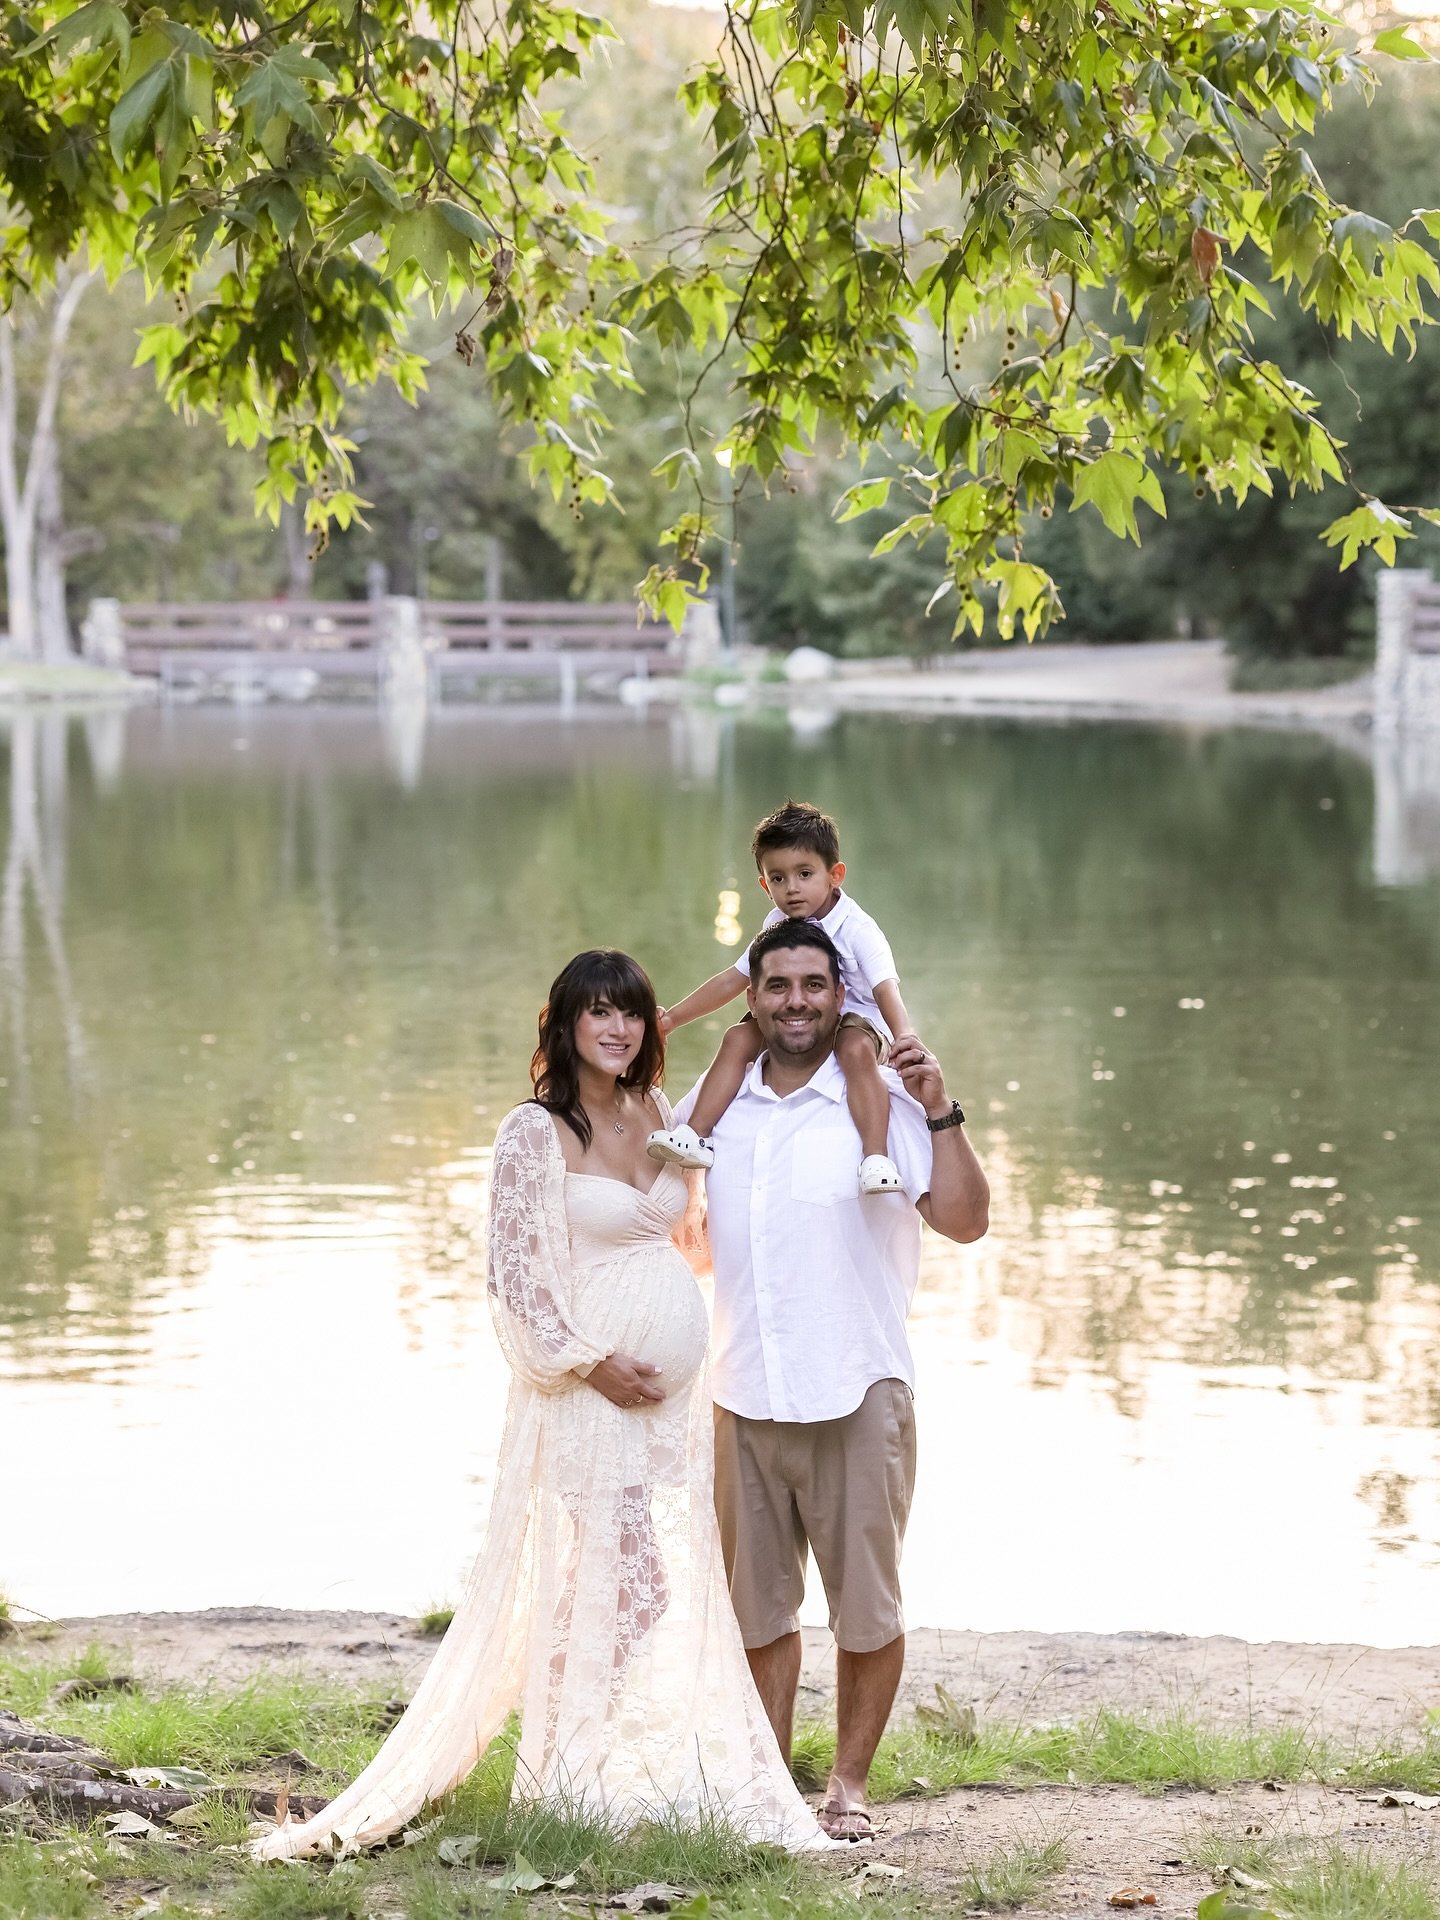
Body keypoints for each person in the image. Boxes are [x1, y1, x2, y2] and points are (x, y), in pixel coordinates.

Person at [251, 950, 828, 1860]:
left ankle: (580, 1765)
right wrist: (594, 1364)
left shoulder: (652, 1111)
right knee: (625, 1578)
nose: (619, 1028)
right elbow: (513, 1282)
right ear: (564, 1024)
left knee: (626, 1580)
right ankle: (565, 1771)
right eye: (599, 1012)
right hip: (585, 1392)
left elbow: (682, 1243)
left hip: (666, 1406)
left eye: (632, 1013)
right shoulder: (533, 1130)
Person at [674, 917, 989, 1842]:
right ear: (755, 995)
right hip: (744, 1389)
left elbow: (966, 1223)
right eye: (778, 986)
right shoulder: (720, 1098)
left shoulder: (886, 1101)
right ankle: (768, 1784)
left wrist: (942, 1108)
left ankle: (848, 1786)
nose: (796, 1002)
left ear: (840, 992)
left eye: (815, 984)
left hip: (858, 1387)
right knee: (758, 1608)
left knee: (866, 1607)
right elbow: (657, 1192)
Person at [646, 800, 922, 1195]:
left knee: (854, 1045)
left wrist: (905, 1036)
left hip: (856, 1017)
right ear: (764, 885)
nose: (791, 888)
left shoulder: (859, 929)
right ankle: (697, 1135)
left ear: (835, 875)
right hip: (796, 1014)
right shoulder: (776, 924)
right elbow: (733, 979)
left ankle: (875, 1156)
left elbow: (884, 986)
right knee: (737, 1038)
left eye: (804, 874)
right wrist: (671, 1019)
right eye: (777, 878)